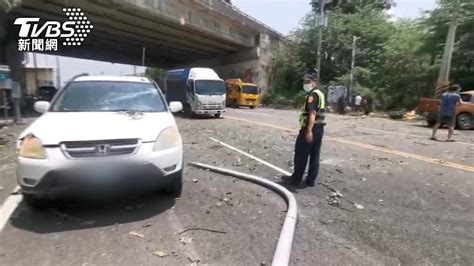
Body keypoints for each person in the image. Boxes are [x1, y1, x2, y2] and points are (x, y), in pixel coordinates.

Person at [284, 74, 326, 187]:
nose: (305, 84)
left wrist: (308, 131)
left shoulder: (312, 95)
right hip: (319, 129)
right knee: (314, 155)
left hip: (311, 128)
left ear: (314, 82)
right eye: (304, 82)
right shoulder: (320, 94)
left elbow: (312, 113)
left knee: (301, 154)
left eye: (308, 81)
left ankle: (296, 179)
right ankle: (310, 180)